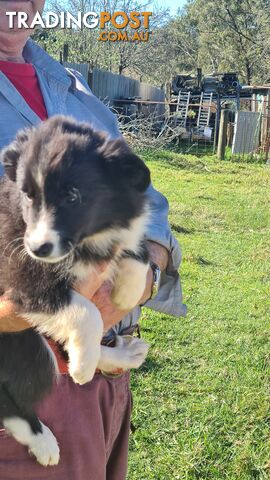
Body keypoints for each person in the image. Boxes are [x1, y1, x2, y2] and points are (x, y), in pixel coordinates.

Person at [0, 1, 186, 479]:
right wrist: (27, 313)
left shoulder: (75, 90)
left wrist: (148, 267)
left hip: (106, 380)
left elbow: (146, 198)